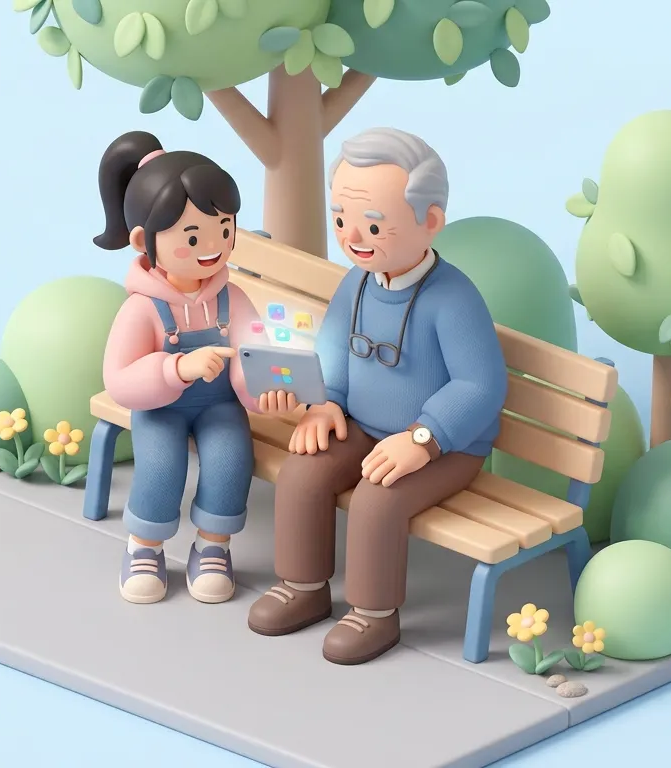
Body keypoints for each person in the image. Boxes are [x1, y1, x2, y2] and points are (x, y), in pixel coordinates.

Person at [247, 127, 508, 665]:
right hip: (361, 423)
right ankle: (303, 586)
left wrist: (424, 437)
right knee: (303, 468)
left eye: (373, 224)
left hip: (444, 447)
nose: (352, 236)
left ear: (429, 221)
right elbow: (335, 351)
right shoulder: (358, 282)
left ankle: (374, 612)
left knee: (376, 497)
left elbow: (481, 386)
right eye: (340, 219)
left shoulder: (454, 299)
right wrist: (326, 403)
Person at [97, 131, 296, 605]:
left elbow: (253, 350)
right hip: (160, 406)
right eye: (192, 236)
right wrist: (177, 370)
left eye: (224, 230)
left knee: (231, 458)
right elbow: (120, 380)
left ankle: (213, 545)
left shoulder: (233, 298)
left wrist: (262, 391)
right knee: (162, 465)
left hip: (219, 404)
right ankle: (144, 546)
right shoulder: (142, 309)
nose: (212, 247)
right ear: (145, 241)